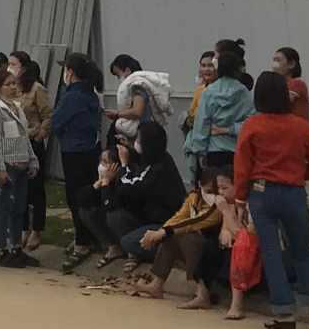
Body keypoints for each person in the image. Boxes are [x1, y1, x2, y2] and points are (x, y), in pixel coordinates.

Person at [232, 70, 309, 329]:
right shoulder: (301, 126)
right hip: (294, 193)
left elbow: (242, 166)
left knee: (271, 252)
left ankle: (284, 312)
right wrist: (299, 174)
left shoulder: (252, 125)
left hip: (262, 193)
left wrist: (240, 198)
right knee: (302, 250)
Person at [127, 167, 230, 306]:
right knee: (171, 236)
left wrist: (162, 233)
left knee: (185, 236)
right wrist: (160, 232)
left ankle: (203, 293)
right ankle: (157, 284)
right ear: (200, 186)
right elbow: (179, 217)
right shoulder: (194, 197)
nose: (213, 195)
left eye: (216, 192)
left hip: (213, 249)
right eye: (209, 191)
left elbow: (193, 223)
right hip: (195, 246)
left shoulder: (218, 206)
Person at [105, 122, 187, 273]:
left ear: (148, 144)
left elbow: (131, 186)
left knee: (127, 242)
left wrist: (124, 165)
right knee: (115, 216)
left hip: (165, 224)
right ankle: (136, 252)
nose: (135, 142)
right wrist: (128, 148)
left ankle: (168, 254)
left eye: (138, 139)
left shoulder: (158, 168)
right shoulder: (155, 157)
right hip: (148, 216)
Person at [52, 53, 104, 268]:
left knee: (76, 197)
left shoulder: (72, 96)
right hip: (90, 148)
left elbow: (57, 121)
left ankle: (82, 241)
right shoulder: (90, 93)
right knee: (89, 194)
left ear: (70, 72)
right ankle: (88, 236)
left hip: (74, 151)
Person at [0, 68, 38, 268]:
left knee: (19, 208)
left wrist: (32, 160)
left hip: (22, 164)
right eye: (7, 84)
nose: (12, 87)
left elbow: (24, 136)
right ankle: (2, 250)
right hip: (6, 165)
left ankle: (16, 248)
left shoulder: (17, 107)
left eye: (14, 83)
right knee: (4, 208)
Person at [2, 51, 53, 251]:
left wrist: (40, 134)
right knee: (18, 187)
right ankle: (22, 227)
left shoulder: (37, 89)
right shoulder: (12, 88)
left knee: (36, 188)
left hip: (32, 142)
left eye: (13, 64)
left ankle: (37, 229)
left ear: (23, 67)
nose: (10, 67)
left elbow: (48, 115)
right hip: (14, 143)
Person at [186, 42, 254, 173]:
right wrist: (232, 129)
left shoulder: (209, 92)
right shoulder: (244, 92)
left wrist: (200, 150)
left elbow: (202, 122)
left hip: (213, 150)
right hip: (237, 149)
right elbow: (251, 121)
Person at [273, 47, 309, 120]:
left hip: (297, 126)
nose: (274, 65)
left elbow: (279, 103)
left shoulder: (297, 83)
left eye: (278, 60)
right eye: (274, 60)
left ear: (291, 64)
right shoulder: (280, 85)